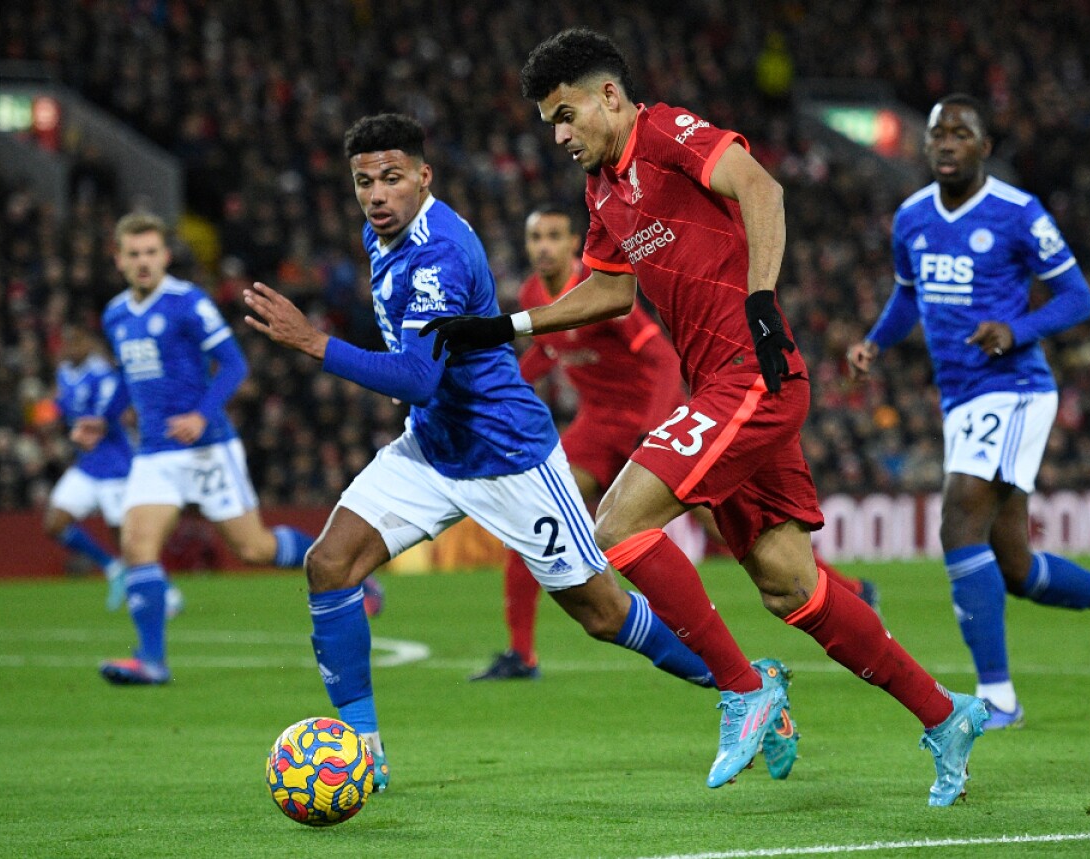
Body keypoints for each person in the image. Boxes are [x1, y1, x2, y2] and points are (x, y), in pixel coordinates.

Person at [424, 28, 986, 805]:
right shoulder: (601, 190)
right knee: (791, 586)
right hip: (718, 386)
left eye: (565, 115)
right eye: (548, 124)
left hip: (750, 374)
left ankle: (744, 687)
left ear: (609, 97)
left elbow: (762, 189)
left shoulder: (665, 132)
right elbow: (609, 291)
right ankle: (944, 712)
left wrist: (761, 299)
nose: (558, 136)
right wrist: (507, 327)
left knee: (615, 524)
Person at [242, 113, 793, 794]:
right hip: (433, 447)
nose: (377, 194)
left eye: (391, 178)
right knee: (329, 564)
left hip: (509, 456)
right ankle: (363, 751)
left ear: (424, 176)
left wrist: (314, 341)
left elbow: (418, 374)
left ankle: (744, 680)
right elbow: (421, 366)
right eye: (364, 182)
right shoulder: (382, 234)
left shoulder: (438, 251)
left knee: (602, 613)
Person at [846, 94, 1090, 728]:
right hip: (961, 394)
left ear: (984, 148)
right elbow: (908, 295)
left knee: (959, 521)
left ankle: (998, 698)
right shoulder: (911, 218)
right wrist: (875, 342)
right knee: (1014, 565)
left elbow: (1078, 298)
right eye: (938, 133)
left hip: (1014, 386)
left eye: (961, 133)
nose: (946, 142)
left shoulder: (1019, 214)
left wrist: (1016, 330)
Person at [472, 206, 881, 683]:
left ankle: (848, 589)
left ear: (571, 244)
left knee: (730, 526)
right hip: (596, 428)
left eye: (553, 236)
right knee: (535, 509)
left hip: (651, 422)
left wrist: (653, 425)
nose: (543, 246)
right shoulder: (530, 295)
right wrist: (493, 400)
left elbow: (664, 360)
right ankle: (522, 654)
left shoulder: (598, 290)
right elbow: (546, 354)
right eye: (535, 237)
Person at [96, 213, 317, 686]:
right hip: (154, 451)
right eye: (133, 254)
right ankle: (152, 660)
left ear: (165, 255)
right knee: (137, 544)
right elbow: (129, 377)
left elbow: (234, 364)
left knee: (254, 548)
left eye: (151, 252)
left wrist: (201, 413)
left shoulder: (187, 303)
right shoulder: (115, 314)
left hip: (207, 447)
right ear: (118, 259)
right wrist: (104, 417)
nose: (143, 261)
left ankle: (343, 566)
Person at [45, 320, 182, 617]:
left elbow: (104, 418)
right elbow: (60, 408)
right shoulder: (65, 374)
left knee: (130, 540)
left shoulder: (103, 374)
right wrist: (48, 413)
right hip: (87, 466)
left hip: (116, 467)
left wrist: (82, 428)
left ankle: (166, 591)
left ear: (87, 344)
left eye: (74, 342)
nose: (68, 348)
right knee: (54, 522)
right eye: (65, 343)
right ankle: (112, 567)